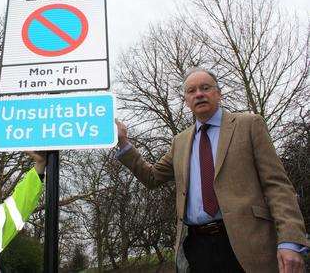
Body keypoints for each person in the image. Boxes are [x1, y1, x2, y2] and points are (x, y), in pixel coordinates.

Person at [116, 68, 308, 273]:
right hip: (198, 249)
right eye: (191, 91)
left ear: (218, 93)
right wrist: (123, 143)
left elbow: (277, 186)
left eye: (205, 88)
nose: (199, 94)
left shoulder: (249, 125)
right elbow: (152, 177)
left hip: (248, 243)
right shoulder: (179, 142)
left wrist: (290, 240)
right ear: (186, 101)